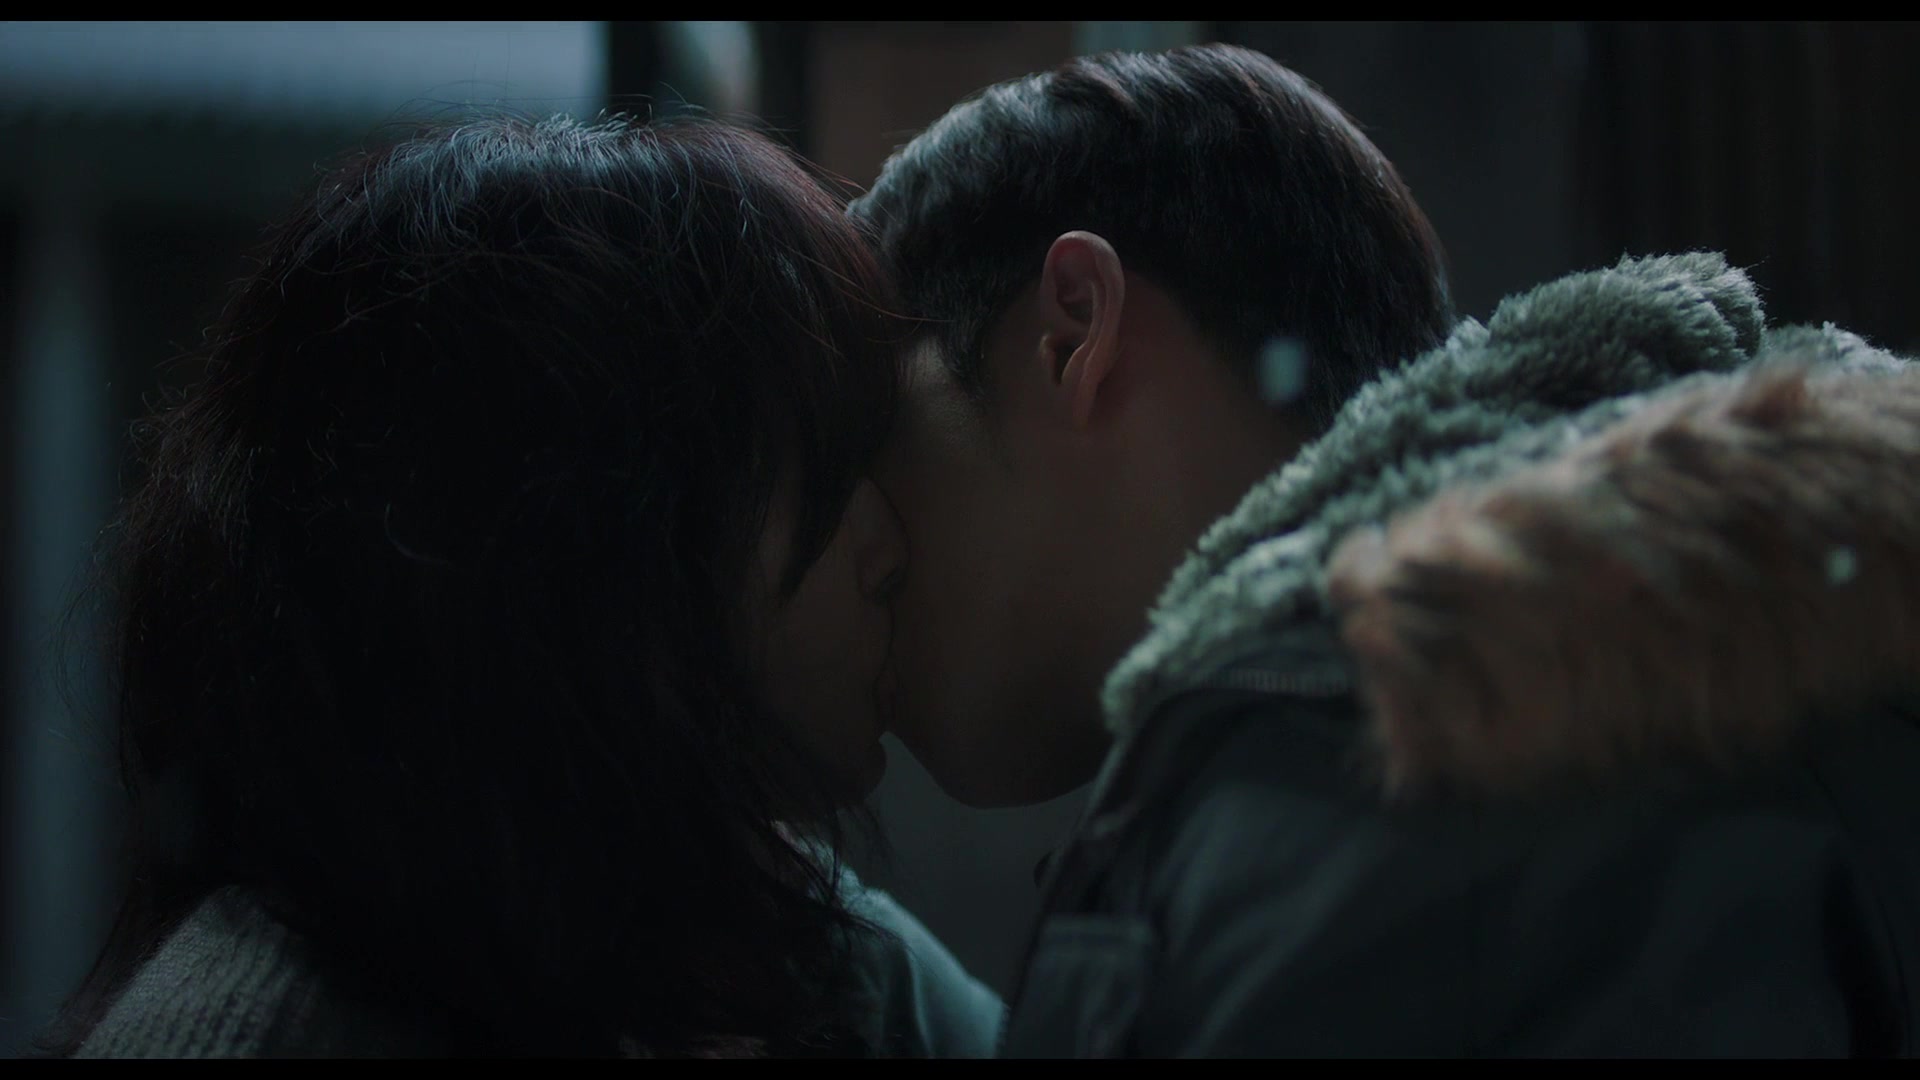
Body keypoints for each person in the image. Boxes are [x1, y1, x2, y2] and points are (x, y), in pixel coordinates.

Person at [851, 43, 1920, 1056]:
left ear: (1071, 330)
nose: (852, 529)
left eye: (869, 436)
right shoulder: (1590, 680)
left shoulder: (1381, 817)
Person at [40, 114, 1002, 1058]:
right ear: (599, 555)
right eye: (827, 473)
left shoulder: (796, 951)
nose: (890, 548)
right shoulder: (273, 1030)